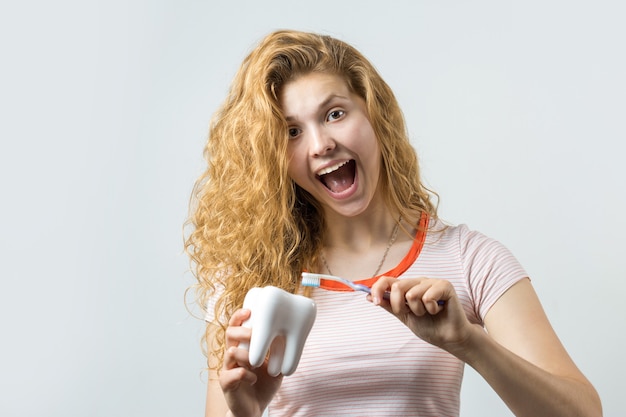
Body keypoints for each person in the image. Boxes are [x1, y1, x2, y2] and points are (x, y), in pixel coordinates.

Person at [185, 30, 601, 417]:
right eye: (291, 131)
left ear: (374, 115)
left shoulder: (470, 259)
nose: (321, 144)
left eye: (333, 114)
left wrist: (470, 344)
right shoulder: (246, 281)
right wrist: (248, 414)